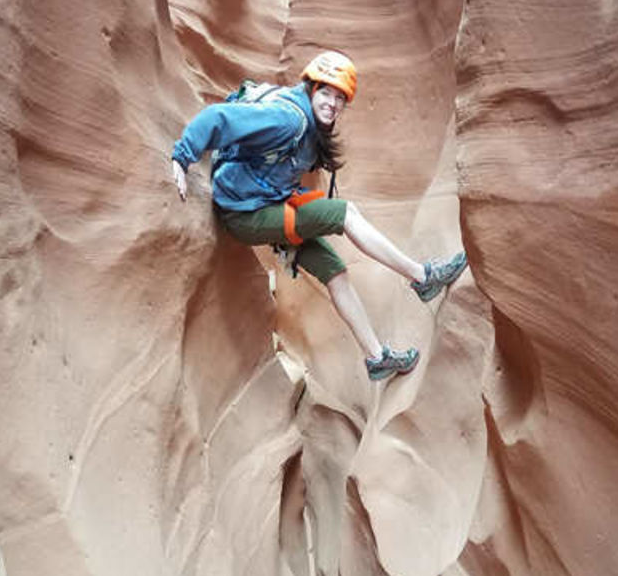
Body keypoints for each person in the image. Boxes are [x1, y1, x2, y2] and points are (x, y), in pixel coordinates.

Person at [170, 50, 468, 380]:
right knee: (345, 213)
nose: (332, 103)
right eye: (326, 92)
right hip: (245, 215)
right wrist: (182, 157)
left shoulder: (310, 126)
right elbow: (218, 119)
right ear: (311, 88)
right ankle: (422, 277)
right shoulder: (289, 119)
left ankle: (377, 359)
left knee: (335, 272)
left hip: (267, 205)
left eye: (340, 98)